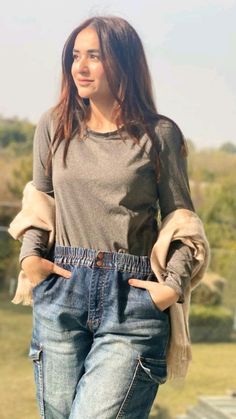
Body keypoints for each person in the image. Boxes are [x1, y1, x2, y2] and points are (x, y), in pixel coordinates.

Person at [10, 15, 209, 419]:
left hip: (132, 300)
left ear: (123, 62)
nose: (79, 67)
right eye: (75, 56)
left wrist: (171, 286)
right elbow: (40, 202)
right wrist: (31, 260)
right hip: (61, 291)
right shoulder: (54, 125)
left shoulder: (159, 135)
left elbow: (181, 221)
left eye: (94, 56)